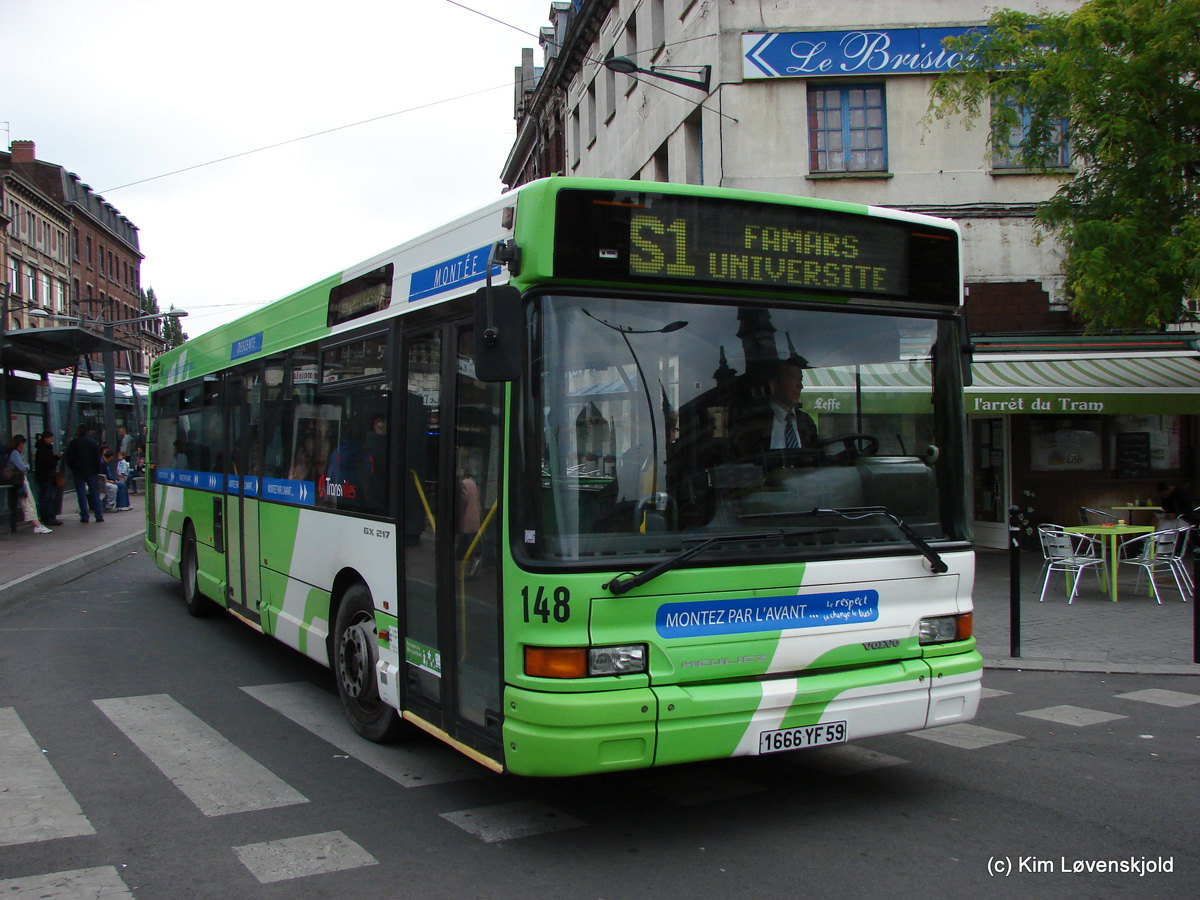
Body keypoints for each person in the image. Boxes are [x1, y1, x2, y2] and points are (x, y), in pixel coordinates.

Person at [7, 435, 52, 534]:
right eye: (23, 444)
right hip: (20, 481)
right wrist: (26, 466)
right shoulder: (15, 453)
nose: (23, 446)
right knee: (28, 502)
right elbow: (23, 468)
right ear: (19, 444)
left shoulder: (15, 453)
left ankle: (37, 524)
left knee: (28, 502)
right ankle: (37, 525)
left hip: (20, 480)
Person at [64, 424, 105, 523]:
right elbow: (97, 458)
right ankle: (99, 515)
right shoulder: (93, 442)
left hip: (78, 472)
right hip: (91, 471)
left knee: (81, 494)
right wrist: (97, 470)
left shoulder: (74, 443)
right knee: (95, 493)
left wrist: (74, 468)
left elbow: (68, 458)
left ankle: (84, 516)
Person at [33, 431, 64, 526]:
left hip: (47, 477)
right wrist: (55, 459)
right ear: (45, 438)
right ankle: (47, 517)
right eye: (50, 438)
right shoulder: (44, 449)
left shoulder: (43, 448)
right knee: (47, 498)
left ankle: (48, 517)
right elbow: (46, 462)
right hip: (46, 477)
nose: (51, 440)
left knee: (48, 498)